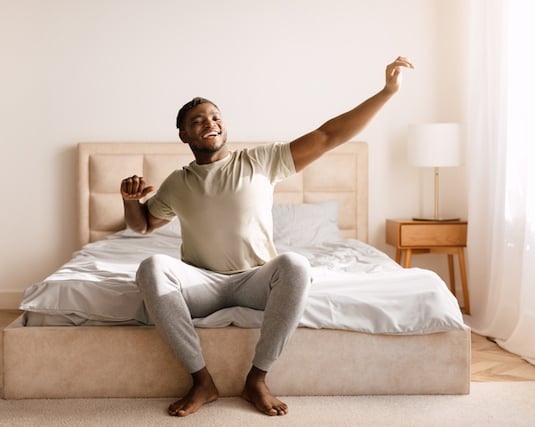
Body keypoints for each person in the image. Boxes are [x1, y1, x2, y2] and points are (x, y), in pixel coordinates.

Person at [121, 56, 414, 417]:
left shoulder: (260, 161)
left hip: (255, 281)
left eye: (215, 117)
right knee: (151, 267)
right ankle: (202, 381)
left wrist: (386, 92)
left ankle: (257, 379)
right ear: (184, 134)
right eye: (197, 121)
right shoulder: (177, 183)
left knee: (294, 264)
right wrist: (130, 201)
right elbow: (144, 225)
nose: (209, 123)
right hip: (202, 284)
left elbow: (328, 136)